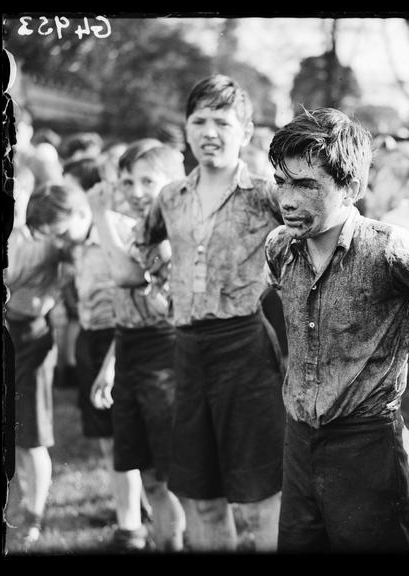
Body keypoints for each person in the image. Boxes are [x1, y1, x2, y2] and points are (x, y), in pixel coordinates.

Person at [265, 107, 409, 552]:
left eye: (307, 185)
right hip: (300, 438)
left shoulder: (388, 249)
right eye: (282, 182)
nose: (288, 198)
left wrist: (407, 354)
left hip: (367, 443)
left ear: (351, 188)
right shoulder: (280, 247)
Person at [135, 74, 285, 552]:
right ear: (186, 128)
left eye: (222, 121)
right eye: (198, 120)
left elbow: (319, 238)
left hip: (246, 347)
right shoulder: (170, 196)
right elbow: (147, 243)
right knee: (200, 492)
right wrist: (158, 285)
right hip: (188, 350)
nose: (208, 131)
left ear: (244, 129)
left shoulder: (267, 193)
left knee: (263, 492)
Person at [25, 184, 149, 551]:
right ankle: (131, 508)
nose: (59, 242)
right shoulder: (73, 246)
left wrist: (111, 360)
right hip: (90, 336)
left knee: (124, 438)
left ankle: (133, 529)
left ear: (82, 213)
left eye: (61, 232)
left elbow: (133, 303)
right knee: (103, 437)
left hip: (122, 337)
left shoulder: (118, 233)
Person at [84, 139, 188, 551]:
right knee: (147, 475)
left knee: (169, 474)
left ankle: (179, 542)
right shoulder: (129, 225)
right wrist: (111, 363)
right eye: (127, 180)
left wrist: (97, 212)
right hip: (129, 350)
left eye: (148, 180)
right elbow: (127, 311)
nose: (135, 189)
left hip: (165, 354)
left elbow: (128, 275)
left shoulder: (165, 232)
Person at [4, 165, 64, 546]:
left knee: (32, 436)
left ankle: (34, 513)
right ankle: (22, 502)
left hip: (31, 336)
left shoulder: (43, 240)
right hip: (10, 329)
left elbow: (11, 276)